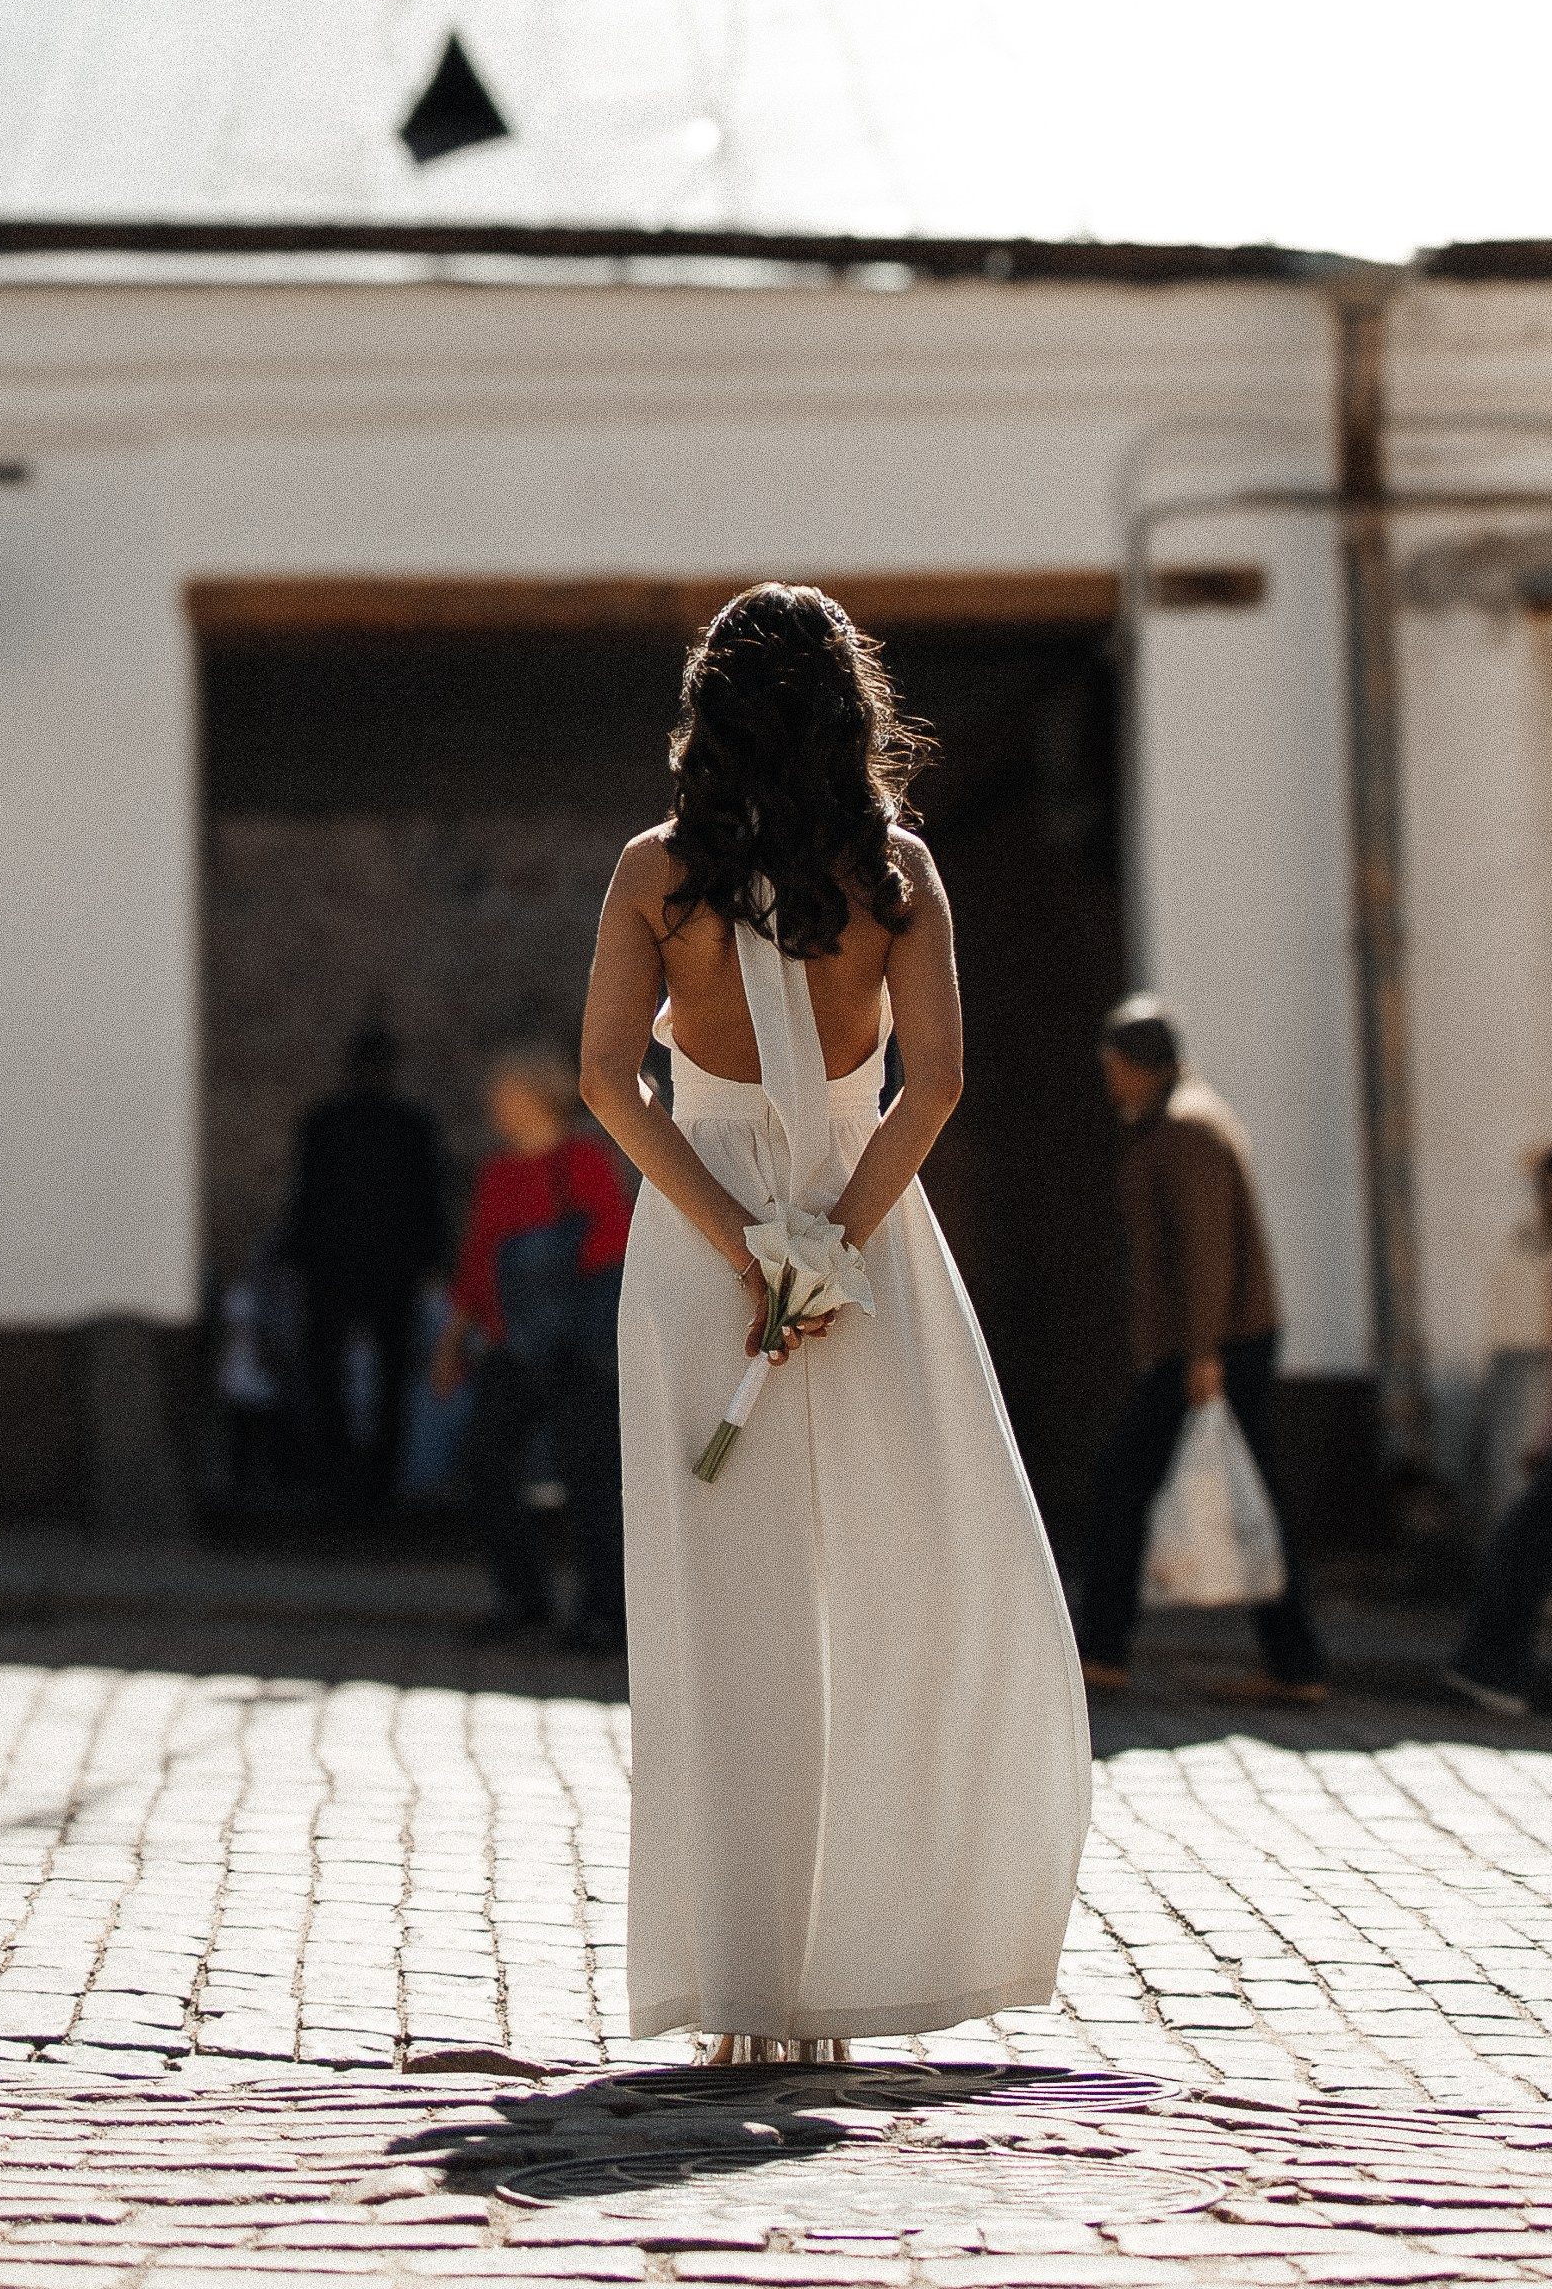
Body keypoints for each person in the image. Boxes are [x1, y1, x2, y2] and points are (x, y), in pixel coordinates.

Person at [579, 582, 1090, 2062]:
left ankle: (742, 1994)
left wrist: (743, 1251)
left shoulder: (653, 873)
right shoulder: (898, 874)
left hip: (698, 1250)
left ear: (709, 714)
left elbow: (610, 1080)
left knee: (719, 1618)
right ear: (850, 712)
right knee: (896, 1596)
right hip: (869, 1242)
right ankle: (856, 1974)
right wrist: (828, 1250)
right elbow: (936, 1084)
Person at [1077, 995, 1327, 1707]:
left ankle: (1105, 1650)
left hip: (1215, 1346)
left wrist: (1201, 1356)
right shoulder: (1174, 1121)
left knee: (1123, 1484)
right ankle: (1294, 1663)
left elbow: (1205, 1248)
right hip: (1213, 1343)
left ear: (1139, 1066)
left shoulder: (1186, 1128)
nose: (1109, 1081)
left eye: (1114, 1067)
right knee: (1242, 1491)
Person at [431, 1045, 631, 1651]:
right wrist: (452, 1342)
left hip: (578, 1353)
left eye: (505, 1092)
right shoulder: (497, 1172)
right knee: (485, 1461)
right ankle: (523, 1598)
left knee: (591, 1477)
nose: (494, 1103)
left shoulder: (582, 1160)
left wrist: (553, 1275)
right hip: (513, 1348)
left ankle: (604, 1613)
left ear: (535, 1096)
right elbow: (478, 1261)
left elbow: (617, 1235)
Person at [280, 1021, 449, 1520]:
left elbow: (306, 1197)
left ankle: (339, 1476)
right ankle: (375, 1480)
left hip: (337, 1266)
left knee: (331, 1371)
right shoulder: (408, 1125)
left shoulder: (327, 1123)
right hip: (388, 1266)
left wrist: (299, 1255)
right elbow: (428, 1200)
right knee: (387, 1374)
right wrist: (431, 1258)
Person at [1444, 1140, 1552, 1717]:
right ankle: (1492, 1666)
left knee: (1528, 1541)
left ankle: (1492, 1667)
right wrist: (1550, 1434)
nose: (1546, 1202)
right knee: (1526, 1540)